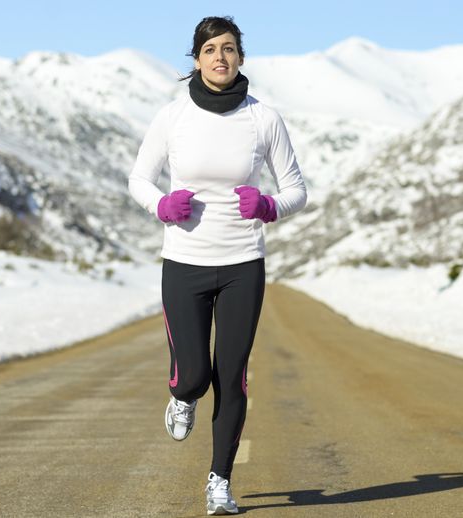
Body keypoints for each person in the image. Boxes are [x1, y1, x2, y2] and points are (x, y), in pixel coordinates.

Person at [128, 15, 307, 516]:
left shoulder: (263, 119)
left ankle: (219, 482)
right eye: (210, 50)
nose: (220, 57)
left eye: (228, 48)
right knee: (196, 375)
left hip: (242, 264)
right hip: (184, 262)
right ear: (197, 59)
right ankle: (182, 394)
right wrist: (161, 206)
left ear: (241, 58)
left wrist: (270, 206)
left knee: (233, 376)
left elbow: (297, 189)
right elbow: (139, 179)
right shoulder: (172, 117)